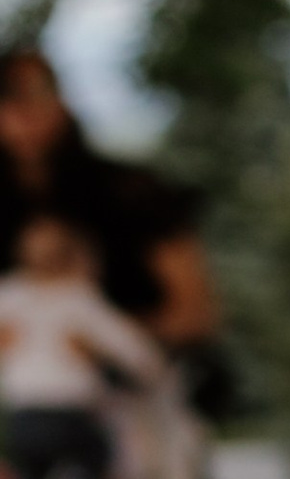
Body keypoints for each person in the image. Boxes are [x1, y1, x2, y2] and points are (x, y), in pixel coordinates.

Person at [0, 49, 225, 400]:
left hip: (137, 396)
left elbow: (196, 313)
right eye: (8, 97)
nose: (22, 113)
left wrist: (106, 338)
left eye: (35, 94)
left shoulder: (130, 191)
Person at [0, 214, 164, 479]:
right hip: (51, 417)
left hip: (37, 419)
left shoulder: (74, 299)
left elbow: (142, 358)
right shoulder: (73, 299)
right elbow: (143, 358)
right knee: (91, 460)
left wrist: (96, 354)